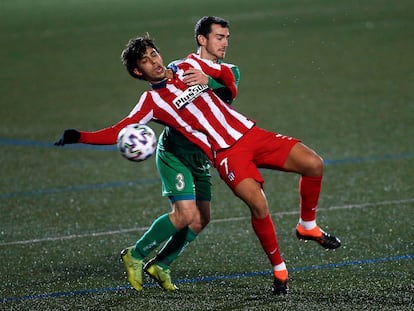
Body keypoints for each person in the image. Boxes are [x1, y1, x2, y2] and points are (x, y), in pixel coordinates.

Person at [55, 33, 340, 295]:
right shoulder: (151, 101)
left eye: (154, 54)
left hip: (240, 138)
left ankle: (162, 264)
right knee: (199, 213)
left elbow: (231, 74)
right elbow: (121, 129)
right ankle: (138, 254)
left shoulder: (185, 67)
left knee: (207, 216)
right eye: (145, 60)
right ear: (137, 72)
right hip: (208, 153)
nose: (154, 61)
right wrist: (80, 136)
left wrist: (210, 78)